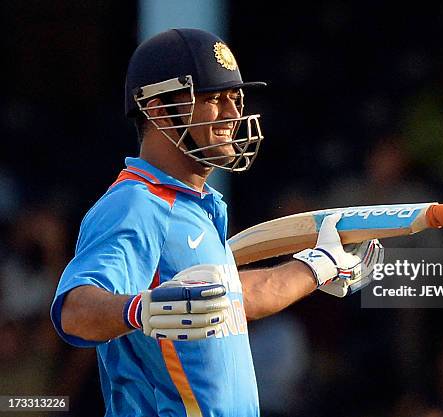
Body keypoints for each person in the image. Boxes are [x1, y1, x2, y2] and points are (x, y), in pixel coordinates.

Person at [50, 28, 383, 417]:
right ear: (157, 108)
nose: (232, 114)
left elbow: (240, 299)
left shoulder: (197, 206)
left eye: (235, 98)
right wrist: (140, 310)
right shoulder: (135, 204)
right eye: (212, 99)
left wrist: (320, 266)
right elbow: (74, 311)